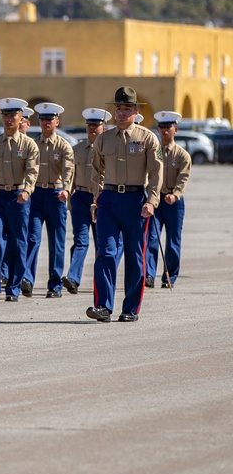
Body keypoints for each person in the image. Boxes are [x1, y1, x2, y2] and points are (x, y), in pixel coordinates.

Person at [86, 86, 163, 323]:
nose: (121, 113)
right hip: (108, 199)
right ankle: (103, 306)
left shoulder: (147, 138)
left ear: (135, 111)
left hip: (135, 200)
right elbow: (95, 170)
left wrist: (152, 201)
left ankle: (130, 308)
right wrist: (96, 199)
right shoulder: (104, 138)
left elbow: (156, 172)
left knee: (134, 255)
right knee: (105, 252)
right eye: (118, 108)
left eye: (126, 108)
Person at [0, 97, 38, 302]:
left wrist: (27, 189)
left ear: (20, 117)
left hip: (18, 197)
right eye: (5, 115)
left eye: (12, 115)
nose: (8, 119)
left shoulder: (29, 144)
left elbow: (33, 171)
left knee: (18, 242)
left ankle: (14, 286)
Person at [22, 102, 75, 298]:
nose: (46, 123)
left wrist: (66, 190)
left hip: (55, 195)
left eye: (49, 120)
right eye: (43, 120)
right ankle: (26, 279)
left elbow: (69, 170)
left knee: (57, 242)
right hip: (35, 196)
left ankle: (55, 284)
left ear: (57, 121)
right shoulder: (33, 144)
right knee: (32, 238)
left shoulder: (63, 146)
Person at [63, 108, 111, 294]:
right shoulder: (77, 150)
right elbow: (71, 176)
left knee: (101, 242)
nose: (92, 129)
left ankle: (102, 280)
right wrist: (70, 198)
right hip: (81, 198)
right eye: (89, 125)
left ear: (103, 128)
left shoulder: (108, 150)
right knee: (81, 240)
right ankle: (73, 278)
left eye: (96, 125)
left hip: (101, 197)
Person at [145, 111, 191, 289]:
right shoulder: (152, 152)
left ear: (175, 130)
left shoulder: (182, 155)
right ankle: (149, 275)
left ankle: (170, 276)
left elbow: (183, 178)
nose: (164, 131)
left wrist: (176, 194)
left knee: (172, 241)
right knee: (152, 238)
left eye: (168, 127)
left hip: (173, 202)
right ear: (157, 129)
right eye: (161, 127)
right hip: (156, 200)